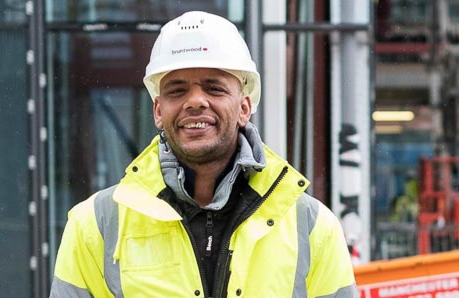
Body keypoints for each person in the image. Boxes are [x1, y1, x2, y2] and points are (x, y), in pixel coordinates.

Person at [50, 11, 358, 298]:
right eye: (177, 90)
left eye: (214, 88)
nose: (195, 101)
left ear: (244, 108)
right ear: (159, 111)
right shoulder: (96, 225)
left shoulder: (311, 226)